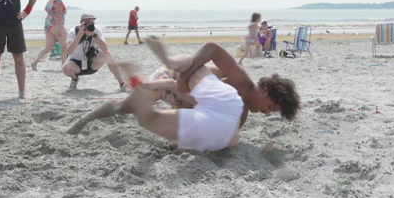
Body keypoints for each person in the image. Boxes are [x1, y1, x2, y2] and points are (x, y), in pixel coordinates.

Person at [69, 36, 301, 152]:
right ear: (266, 90)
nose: (267, 114)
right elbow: (211, 49)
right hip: (177, 75)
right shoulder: (240, 79)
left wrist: (180, 142)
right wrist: (182, 77)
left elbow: (202, 127)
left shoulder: (240, 116)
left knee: (133, 109)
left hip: (180, 95)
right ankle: (86, 119)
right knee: (124, 107)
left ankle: (142, 76)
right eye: (271, 107)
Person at [61, 12, 130, 91]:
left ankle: (122, 84)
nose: (89, 25)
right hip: (76, 63)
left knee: (108, 55)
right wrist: (79, 35)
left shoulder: (96, 30)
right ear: (81, 23)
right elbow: (69, 52)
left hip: (91, 63)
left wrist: (94, 35)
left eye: (92, 23)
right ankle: (74, 78)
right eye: (87, 23)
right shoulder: (73, 31)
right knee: (65, 68)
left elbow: (105, 49)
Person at [31, 0, 68, 70]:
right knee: (64, 46)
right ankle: (64, 66)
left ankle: (35, 62)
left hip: (48, 24)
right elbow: (58, 15)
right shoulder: (58, 0)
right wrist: (59, 29)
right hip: (56, 24)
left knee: (49, 46)